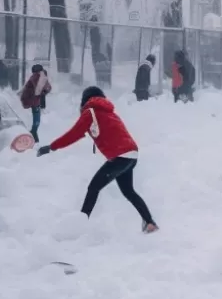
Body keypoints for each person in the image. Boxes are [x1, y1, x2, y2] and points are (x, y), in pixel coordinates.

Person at [37, 86, 158, 233]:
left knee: (93, 188)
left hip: (120, 156)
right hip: (131, 155)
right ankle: (149, 222)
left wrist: (51, 147)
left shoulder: (90, 112)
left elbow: (73, 134)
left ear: (84, 100)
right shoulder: (109, 112)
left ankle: (79, 225)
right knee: (128, 191)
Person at [20, 64, 51, 142]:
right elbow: (45, 88)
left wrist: (41, 92)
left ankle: (33, 134)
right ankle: (33, 134)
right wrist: (43, 92)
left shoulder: (37, 76)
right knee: (36, 119)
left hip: (31, 100)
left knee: (36, 119)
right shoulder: (39, 77)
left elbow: (42, 89)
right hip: (33, 101)